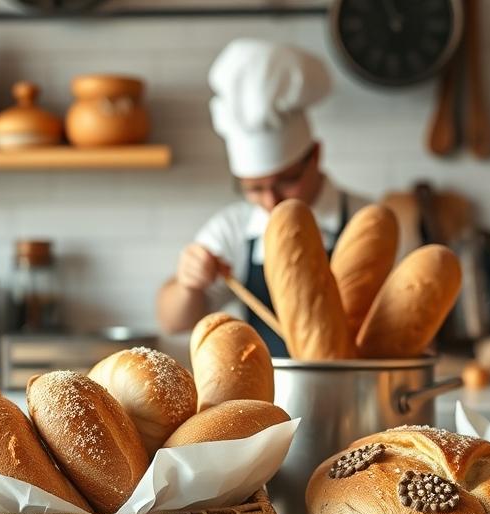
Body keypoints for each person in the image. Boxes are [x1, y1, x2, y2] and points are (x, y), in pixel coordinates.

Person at [156, 39, 369, 355]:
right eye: (254, 188)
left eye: (286, 181)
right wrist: (190, 282)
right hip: (265, 398)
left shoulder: (365, 221)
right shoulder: (236, 228)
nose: (270, 201)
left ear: (315, 156)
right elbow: (172, 321)